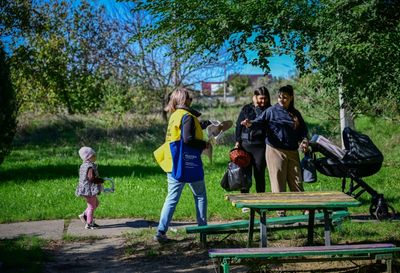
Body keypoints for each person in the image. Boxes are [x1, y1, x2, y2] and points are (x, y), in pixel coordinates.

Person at [241, 85, 309, 216]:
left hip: (293, 151)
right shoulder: (271, 111)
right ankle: (281, 211)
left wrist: (304, 140)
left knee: (296, 181)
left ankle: (305, 209)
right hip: (275, 150)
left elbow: (303, 131)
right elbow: (258, 122)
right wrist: (250, 124)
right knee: (278, 182)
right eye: (280, 97)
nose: (281, 100)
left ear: (291, 98)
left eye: (285, 97)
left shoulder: (295, 113)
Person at [153, 88, 210, 242]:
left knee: (171, 198)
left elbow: (187, 129)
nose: (192, 100)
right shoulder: (187, 116)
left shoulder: (175, 115)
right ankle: (202, 231)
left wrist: (205, 124)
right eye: (190, 97)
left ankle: (160, 232)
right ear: (185, 100)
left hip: (173, 162)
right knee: (200, 196)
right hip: (188, 162)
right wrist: (204, 144)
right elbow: (188, 138)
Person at [234, 86, 271, 193]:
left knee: (259, 174)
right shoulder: (246, 108)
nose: (263, 101)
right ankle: (245, 201)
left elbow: (262, 122)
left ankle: (261, 201)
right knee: (245, 174)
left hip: (260, 146)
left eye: (265, 98)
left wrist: (257, 106)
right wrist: (237, 142)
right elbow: (238, 126)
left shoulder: (270, 110)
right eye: (261, 98)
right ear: (255, 97)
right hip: (246, 145)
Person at [75, 146, 104, 229]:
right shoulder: (90, 166)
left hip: (85, 189)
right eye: (93, 155)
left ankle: (84, 215)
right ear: (88, 157)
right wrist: (99, 180)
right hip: (89, 190)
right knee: (91, 206)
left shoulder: (83, 165)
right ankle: (89, 223)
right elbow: (91, 178)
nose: (95, 157)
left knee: (96, 203)